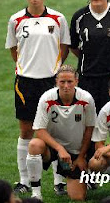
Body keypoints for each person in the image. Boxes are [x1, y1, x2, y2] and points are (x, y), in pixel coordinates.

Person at [5, 0, 70, 195]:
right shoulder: (15, 20)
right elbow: (14, 50)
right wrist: (28, 67)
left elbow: (64, 47)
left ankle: (59, 181)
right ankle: (24, 179)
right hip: (25, 82)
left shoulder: (57, 18)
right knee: (26, 130)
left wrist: (52, 69)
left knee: (56, 130)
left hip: (51, 82)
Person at [26, 65, 96, 200]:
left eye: (69, 82)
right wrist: (59, 149)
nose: (66, 86)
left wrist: (81, 156)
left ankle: (85, 175)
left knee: (77, 197)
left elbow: (89, 129)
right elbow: (39, 130)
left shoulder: (86, 99)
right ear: (56, 82)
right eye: (62, 82)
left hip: (76, 151)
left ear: (76, 81)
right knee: (34, 144)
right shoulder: (46, 98)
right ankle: (36, 194)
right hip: (54, 148)